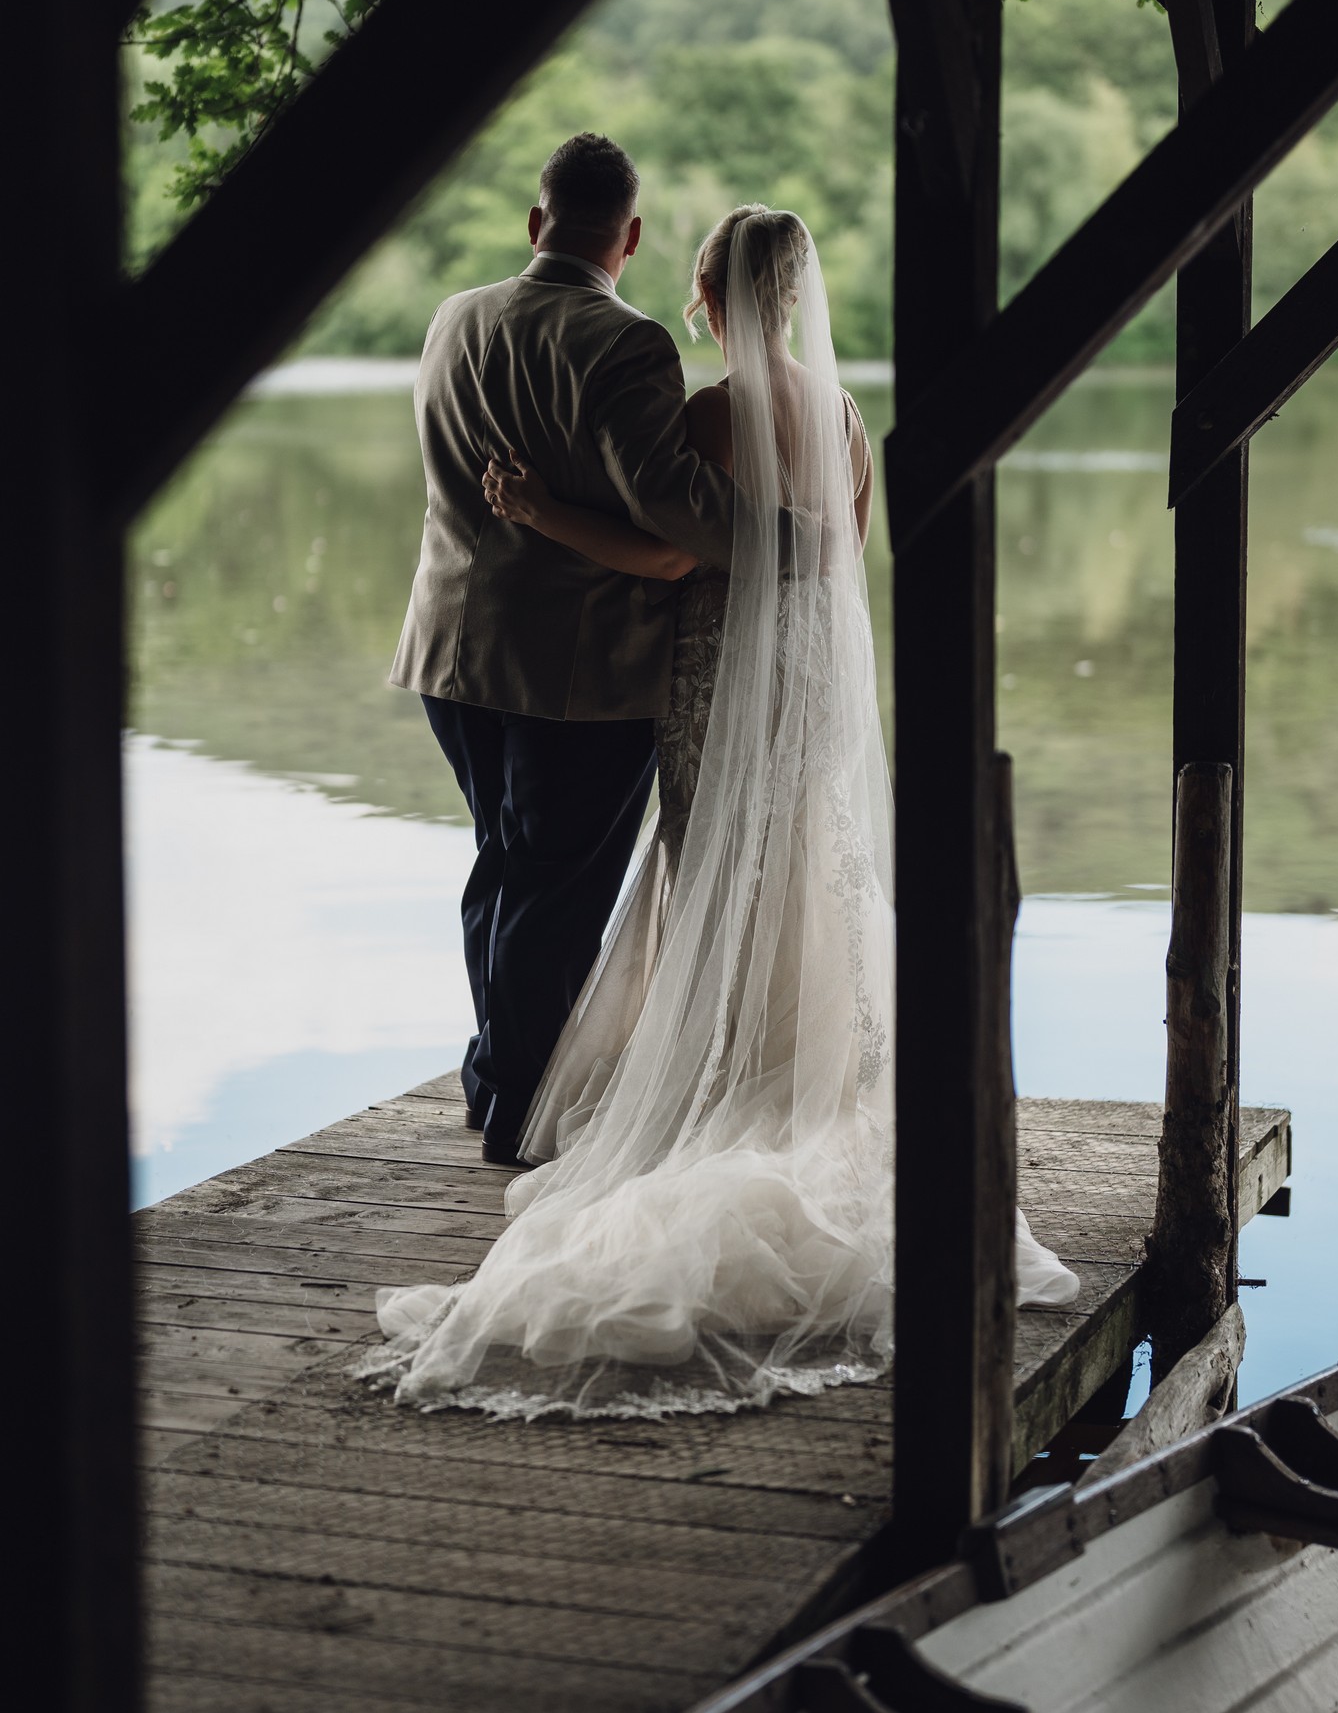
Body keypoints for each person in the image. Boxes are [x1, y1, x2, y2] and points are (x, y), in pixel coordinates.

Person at [364, 205, 1078, 1426]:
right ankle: (813, 1069)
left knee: (716, 863)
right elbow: (839, 554)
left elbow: (671, 559)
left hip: (716, 670)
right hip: (806, 673)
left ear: (705, 289)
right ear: (794, 293)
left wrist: (538, 513)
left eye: (699, 278)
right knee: (810, 856)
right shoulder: (846, 415)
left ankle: (729, 1067)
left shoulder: (707, 414)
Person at [390, 133, 737, 1163]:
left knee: (506, 865)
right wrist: (785, 519)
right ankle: (517, 1114)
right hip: (575, 672)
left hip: (452, 652)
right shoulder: (626, 344)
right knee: (553, 887)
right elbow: (677, 512)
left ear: (537, 222)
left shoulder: (456, 317)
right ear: (628, 236)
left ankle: (494, 1076)